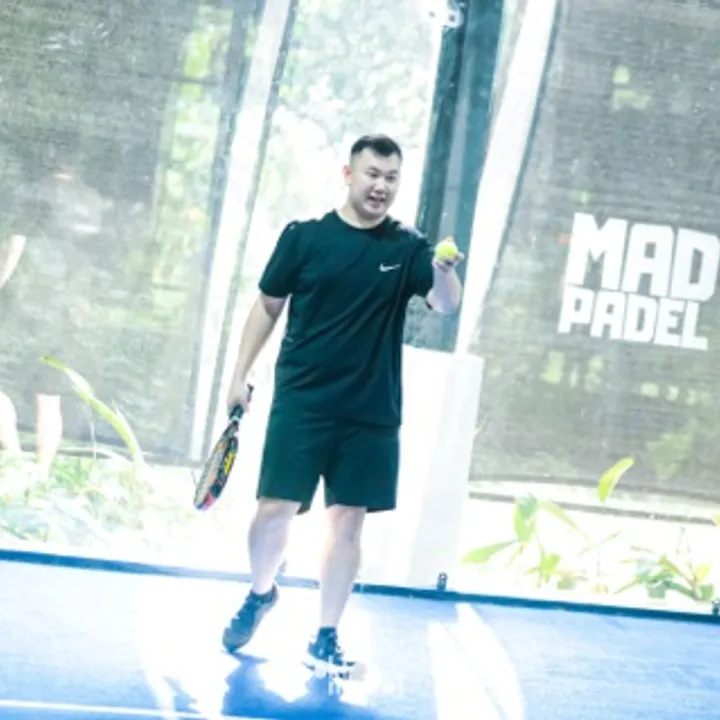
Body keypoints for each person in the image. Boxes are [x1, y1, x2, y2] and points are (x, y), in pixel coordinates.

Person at [222, 134, 463, 672]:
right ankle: (261, 592)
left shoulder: (409, 248)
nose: (381, 186)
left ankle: (326, 635)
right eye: (372, 173)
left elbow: (445, 305)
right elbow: (267, 306)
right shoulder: (304, 238)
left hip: (370, 412)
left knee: (347, 524)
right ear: (348, 174)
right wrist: (239, 375)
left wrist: (445, 271)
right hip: (302, 403)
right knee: (273, 513)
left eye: (391, 177)